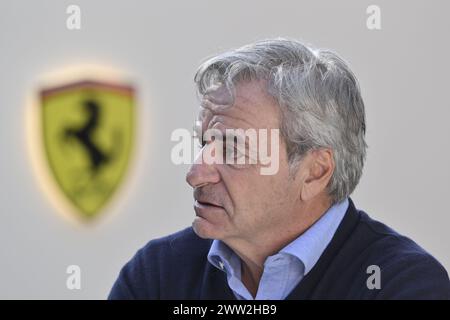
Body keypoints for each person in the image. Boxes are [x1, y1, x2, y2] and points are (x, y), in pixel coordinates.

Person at [109, 38, 450, 299]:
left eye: (233, 150)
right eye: (203, 144)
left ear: (315, 172)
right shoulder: (156, 275)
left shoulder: (403, 285)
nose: (196, 174)